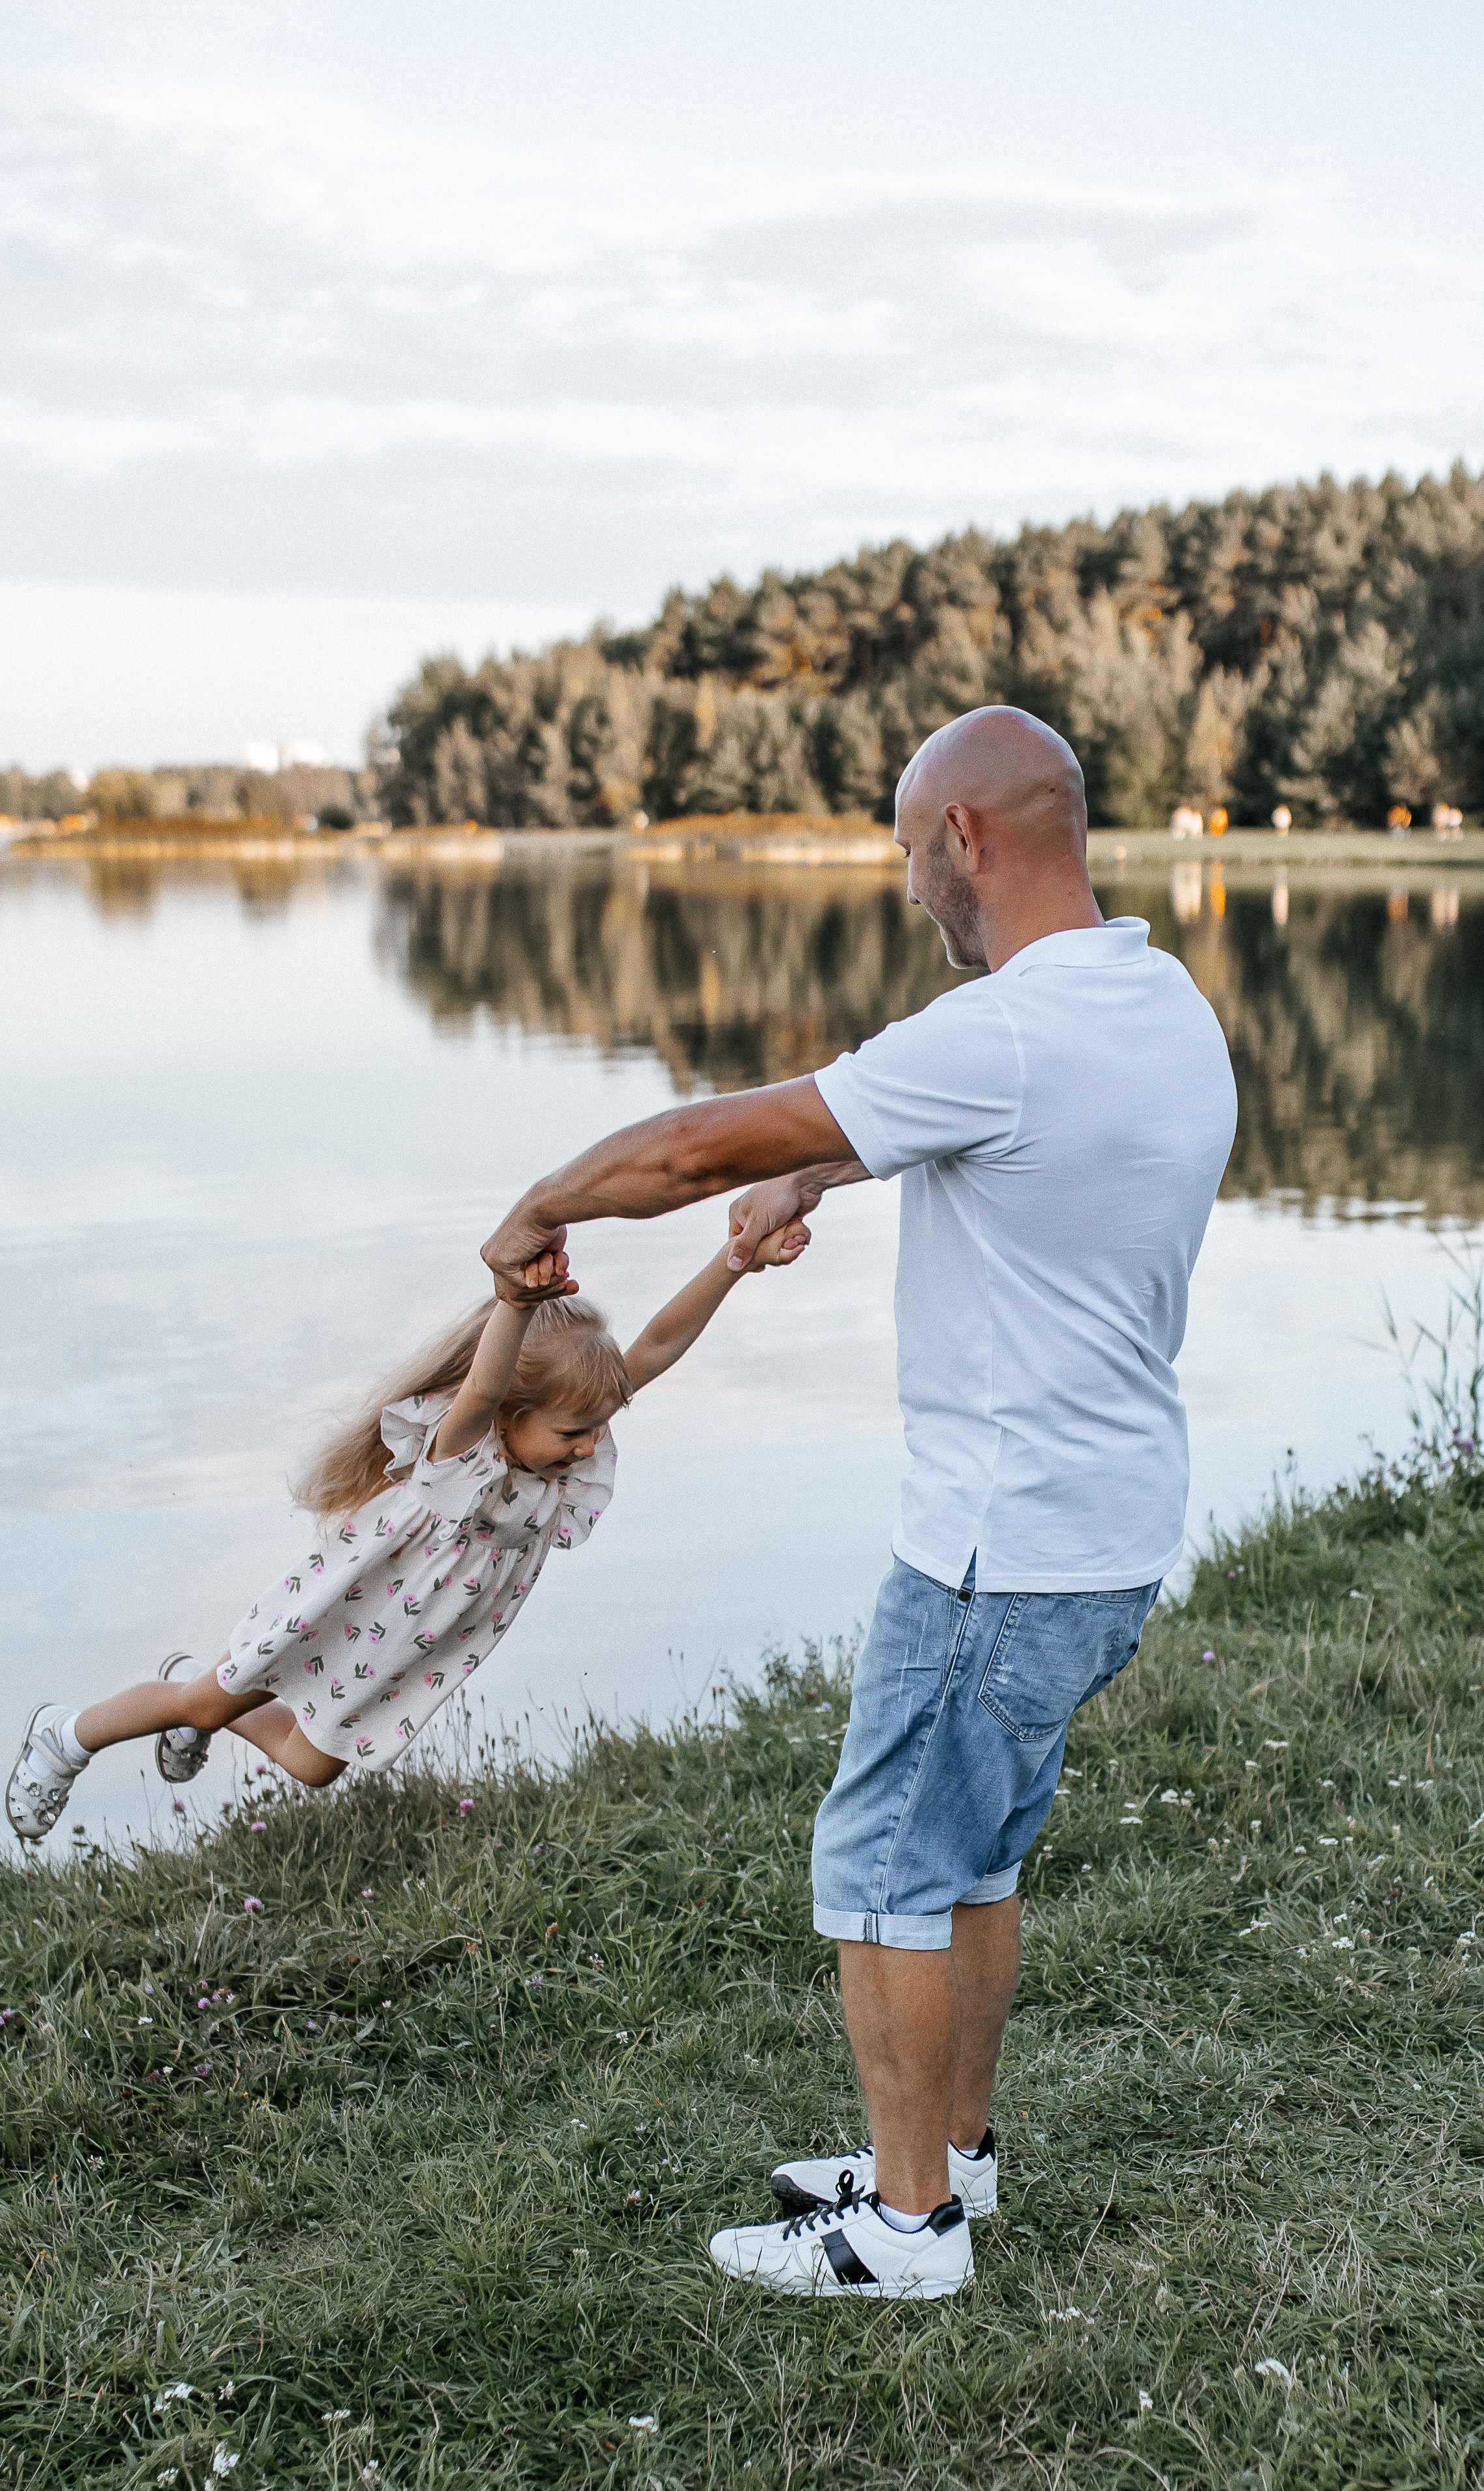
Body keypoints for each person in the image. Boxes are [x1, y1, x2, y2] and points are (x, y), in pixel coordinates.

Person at [480, 704, 1238, 2301]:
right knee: (976, 1858)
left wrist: (543, 1203)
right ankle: (951, 2161)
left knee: (888, 1859)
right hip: (1104, 1530)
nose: (909, 891)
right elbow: (1012, 1134)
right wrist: (824, 1169)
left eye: (908, 853)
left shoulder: (1005, 1031)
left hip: (990, 1542)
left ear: (964, 836)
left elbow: (694, 1141)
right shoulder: (1153, 998)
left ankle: (903, 2230)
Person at [3, 1224, 804, 1842]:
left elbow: (657, 1344)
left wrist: (733, 1259)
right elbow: (487, 1376)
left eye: (597, 1428)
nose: (592, 1445)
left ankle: (191, 1691)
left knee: (314, 1766)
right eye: (573, 1432)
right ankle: (65, 1736)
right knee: (207, 1701)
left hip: (404, 1643)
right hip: (333, 1611)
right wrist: (513, 1306)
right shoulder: (461, 1452)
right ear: (506, 1417)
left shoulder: (558, 1455)